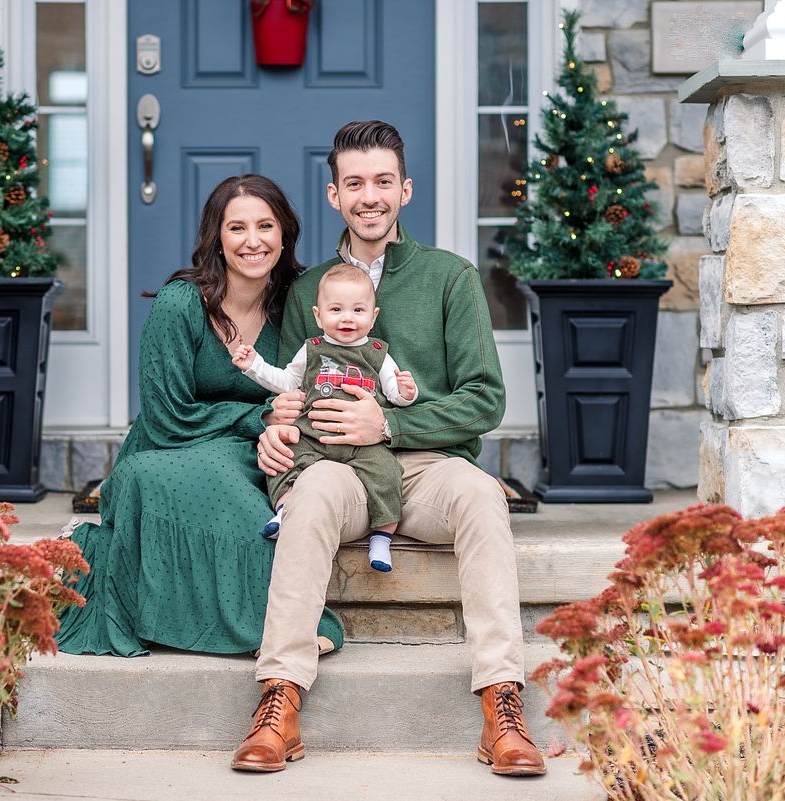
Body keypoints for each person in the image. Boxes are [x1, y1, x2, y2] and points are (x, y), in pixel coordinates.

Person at [230, 121, 546, 777]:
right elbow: (289, 387)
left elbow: (485, 398)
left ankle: (502, 703)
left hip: (430, 470)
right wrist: (276, 422)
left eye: (381, 182)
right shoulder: (309, 291)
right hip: (337, 468)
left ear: (404, 190)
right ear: (333, 194)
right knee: (311, 493)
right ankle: (279, 698)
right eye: (354, 183)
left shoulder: (449, 278)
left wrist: (393, 426)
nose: (368, 196)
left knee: (483, 498)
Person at [56, 174, 344, 658]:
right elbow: (167, 416)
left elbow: (312, 386)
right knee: (184, 486)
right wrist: (259, 417)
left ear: (284, 234)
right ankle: (268, 629)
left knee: (253, 501)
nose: (253, 241)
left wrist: (279, 422)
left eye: (265, 226)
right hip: (172, 444)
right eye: (237, 228)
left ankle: (277, 623)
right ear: (217, 238)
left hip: (259, 449)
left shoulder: (298, 303)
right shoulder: (180, 304)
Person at [230, 263, 417, 572]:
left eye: (358, 310)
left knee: (387, 474)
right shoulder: (312, 349)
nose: (347, 318)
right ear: (318, 315)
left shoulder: (378, 353)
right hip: (313, 435)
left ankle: (382, 538)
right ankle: (284, 509)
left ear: (374, 316)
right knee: (284, 460)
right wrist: (254, 365)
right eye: (336, 309)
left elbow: (395, 394)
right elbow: (287, 382)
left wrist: (407, 392)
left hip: (364, 443)